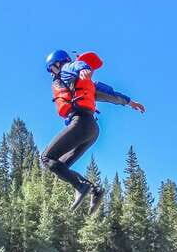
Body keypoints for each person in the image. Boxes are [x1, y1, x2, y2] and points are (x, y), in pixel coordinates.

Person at [41, 50, 145, 213]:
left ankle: (81, 187)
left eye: (52, 68)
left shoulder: (67, 70)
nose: (52, 73)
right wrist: (130, 102)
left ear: (59, 63)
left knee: (47, 158)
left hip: (80, 123)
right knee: (60, 166)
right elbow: (111, 94)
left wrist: (82, 67)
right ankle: (94, 191)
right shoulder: (86, 85)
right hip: (92, 130)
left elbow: (74, 65)